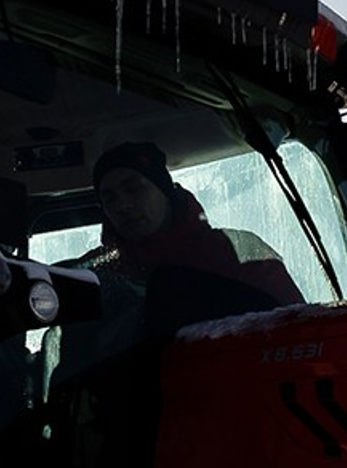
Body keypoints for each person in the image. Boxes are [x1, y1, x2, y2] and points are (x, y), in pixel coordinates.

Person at [88, 139, 297, 329]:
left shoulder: (238, 253)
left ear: (164, 191)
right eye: (109, 199)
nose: (122, 205)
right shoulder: (96, 278)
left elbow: (297, 329)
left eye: (133, 189)